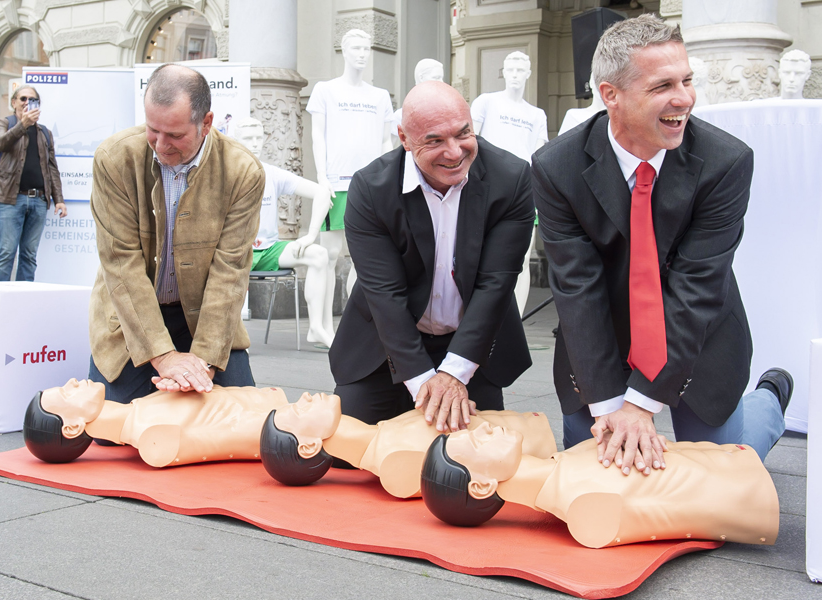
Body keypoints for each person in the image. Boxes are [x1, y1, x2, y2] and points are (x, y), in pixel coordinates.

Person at [531, 14, 792, 477]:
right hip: (600, 341)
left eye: (687, 80)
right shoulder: (557, 167)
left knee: (720, 486)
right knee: (597, 479)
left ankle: (768, 399)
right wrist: (613, 405)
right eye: (662, 86)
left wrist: (642, 404)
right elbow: (576, 288)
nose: (685, 99)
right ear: (611, 95)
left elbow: (697, 287)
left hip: (698, 335)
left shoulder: (725, 162)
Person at [329, 80, 535, 433]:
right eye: (434, 140)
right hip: (386, 346)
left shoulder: (511, 179)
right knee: (348, 451)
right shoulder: (370, 188)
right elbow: (384, 294)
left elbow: (495, 285)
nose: (454, 152)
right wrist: (427, 386)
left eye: (463, 133)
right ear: (404, 139)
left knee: (474, 456)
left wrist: (454, 374)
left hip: (473, 344)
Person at [88, 64, 264, 410]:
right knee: (111, 427)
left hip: (204, 320)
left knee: (243, 418)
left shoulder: (242, 171)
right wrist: (163, 356)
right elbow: (121, 265)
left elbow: (230, 274)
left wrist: (204, 362)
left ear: (207, 123)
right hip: (131, 319)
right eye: (153, 130)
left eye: (175, 135)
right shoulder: (114, 158)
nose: (161, 145)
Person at [420, 422, 779, 549]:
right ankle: (770, 395)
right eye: (477, 442)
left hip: (722, 460)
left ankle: (770, 395)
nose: (485, 427)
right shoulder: (583, 508)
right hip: (747, 487)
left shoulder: (565, 463)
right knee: (756, 425)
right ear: (481, 487)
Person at [261, 395, 556, 497]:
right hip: (542, 445)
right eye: (300, 409)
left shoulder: (384, 436)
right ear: (309, 447)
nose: (307, 397)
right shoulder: (394, 462)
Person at [24, 377, 294, 467]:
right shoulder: (151, 438)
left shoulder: (139, 410)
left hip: (269, 404)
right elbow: (237, 437)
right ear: (72, 427)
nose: (71, 382)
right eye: (65, 392)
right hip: (282, 416)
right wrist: (287, 422)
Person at [231, 117, 336, 347]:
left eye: (259, 137)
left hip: (269, 250)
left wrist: (309, 236)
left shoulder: (271, 173)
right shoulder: (225, 175)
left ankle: (316, 328)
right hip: (236, 252)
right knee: (224, 267)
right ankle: (233, 337)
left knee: (319, 255)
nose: (255, 143)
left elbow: (321, 193)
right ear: (235, 141)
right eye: (249, 138)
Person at [306, 29, 393, 303]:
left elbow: (384, 143)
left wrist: (387, 180)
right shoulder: (325, 90)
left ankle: (354, 326)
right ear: (344, 51)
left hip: (370, 187)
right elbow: (317, 135)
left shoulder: (380, 96)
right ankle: (323, 327)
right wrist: (322, 176)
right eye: (356, 48)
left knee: (364, 257)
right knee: (329, 254)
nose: (362, 54)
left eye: (366, 49)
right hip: (337, 182)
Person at [470, 51, 548, 317]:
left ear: (528, 73)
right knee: (481, 253)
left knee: (522, 259)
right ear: (504, 72)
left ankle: (516, 318)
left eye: (520, 70)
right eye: (510, 69)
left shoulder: (536, 115)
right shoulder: (486, 103)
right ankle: (480, 315)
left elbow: (538, 159)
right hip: (488, 190)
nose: (515, 75)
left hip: (524, 193)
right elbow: (469, 143)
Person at [0, 85, 66, 281]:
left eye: (31, 100)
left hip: (39, 200)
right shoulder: (4, 123)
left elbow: (52, 168)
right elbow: (0, 144)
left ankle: (23, 299)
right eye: (22, 98)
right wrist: (22, 124)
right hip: (11, 199)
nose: (26, 103)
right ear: (13, 102)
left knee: (29, 256)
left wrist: (59, 199)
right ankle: (0, 297)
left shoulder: (44, 132)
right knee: (6, 253)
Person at [389, 59, 445, 146]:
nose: (441, 82)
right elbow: (390, 147)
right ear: (421, 77)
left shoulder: (446, 112)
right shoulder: (401, 115)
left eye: (441, 78)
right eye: (436, 78)